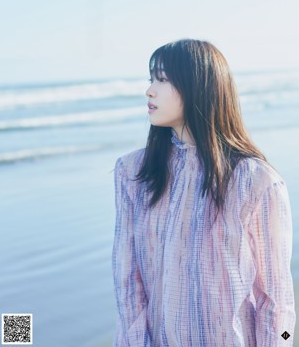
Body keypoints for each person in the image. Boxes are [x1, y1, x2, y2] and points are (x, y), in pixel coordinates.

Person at [111, 39, 296, 346]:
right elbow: (127, 282)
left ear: (199, 85)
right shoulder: (133, 172)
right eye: (151, 79)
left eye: (163, 79)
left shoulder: (256, 180)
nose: (150, 90)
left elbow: (277, 301)